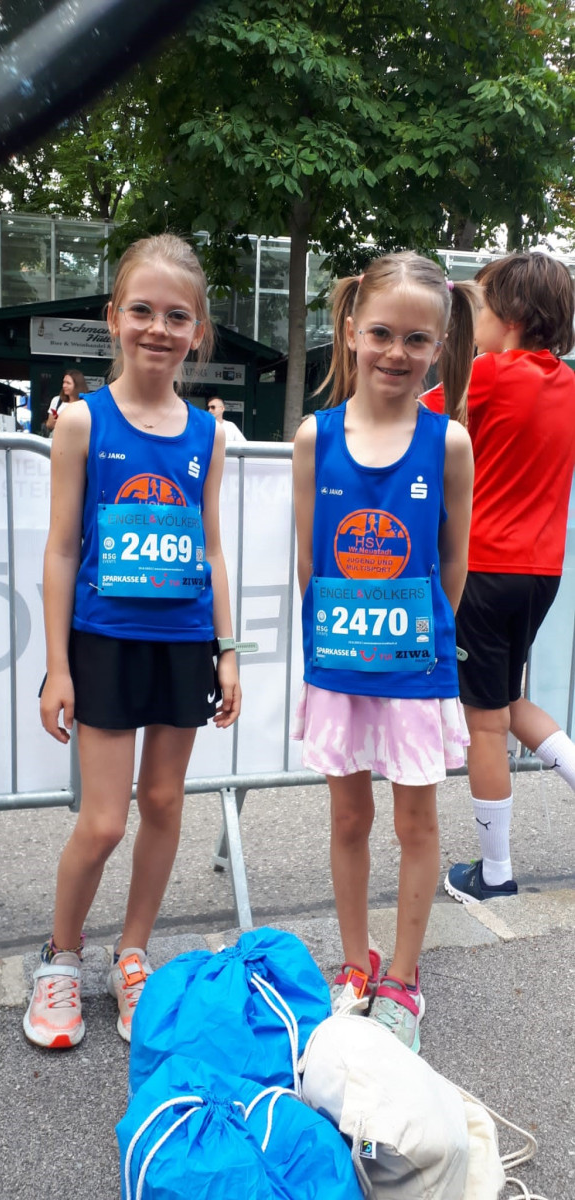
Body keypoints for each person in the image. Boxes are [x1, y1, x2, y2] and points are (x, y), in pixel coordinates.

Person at [24, 234, 241, 1050]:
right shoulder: (82, 421)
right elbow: (61, 550)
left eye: (176, 316)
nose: (158, 327)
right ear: (114, 317)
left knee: (163, 804)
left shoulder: (210, 435)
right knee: (104, 821)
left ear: (198, 332)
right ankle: (60, 956)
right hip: (105, 643)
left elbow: (212, 548)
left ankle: (133, 954)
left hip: (183, 643)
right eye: (142, 310)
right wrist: (56, 667)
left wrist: (227, 650)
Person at [292, 252, 478, 1052]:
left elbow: (454, 559)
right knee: (347, 815)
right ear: (349, 331)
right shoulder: (314, 436)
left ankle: (402, 976)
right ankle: (353, 963)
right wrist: (340, 635)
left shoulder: (449, 443)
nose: (396, 353)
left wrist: (421, 639)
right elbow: (308, 560)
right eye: (380, 333)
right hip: (339, 664)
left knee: (414, 819)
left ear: (438, 346)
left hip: (413, 669)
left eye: (416, 339)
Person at [423, 253, 575, 904]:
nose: (471, 320)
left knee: (483, 720)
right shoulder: (568, 385)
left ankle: (493, 874)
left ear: (509, 315)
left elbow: (403, 414)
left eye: (479, 307)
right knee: (505, 703)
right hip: (540, 572)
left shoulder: (486, 375)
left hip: (483, 569)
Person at [43, 368, 87, 435]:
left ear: (77, 385)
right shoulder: (57, 400)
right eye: (64, 382)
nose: (64, 386)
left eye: (68, 383)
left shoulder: (85, 403)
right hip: (57, 437)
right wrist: (54, 422)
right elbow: (49, 425)